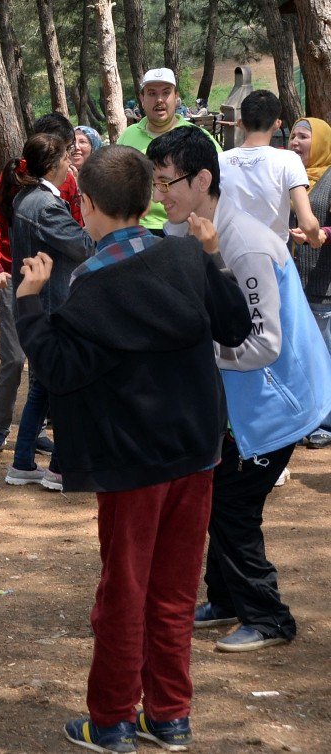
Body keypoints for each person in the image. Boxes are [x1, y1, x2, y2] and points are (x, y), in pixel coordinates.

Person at [14, 145, 251, 753]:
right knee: (173, 593)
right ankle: (169, 715)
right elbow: (234, 326)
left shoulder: (91, 287)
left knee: (123, 593)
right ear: (148, 201)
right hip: (195, 455)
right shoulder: (186, 256)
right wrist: (214, 256)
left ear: (86, 206)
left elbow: (59, 370)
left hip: (133, 466)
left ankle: (113, 719)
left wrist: (31, 302)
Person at [149, 126, 331, 652]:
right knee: (219, 497)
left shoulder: (245, 243)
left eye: (168, 184)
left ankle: (270, 617)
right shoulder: (191, 231)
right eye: (156, 185)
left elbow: (266, 345)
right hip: (244, 406)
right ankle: (227, 600)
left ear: (203, 178)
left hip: (280, 403)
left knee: (233, 506)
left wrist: (199, 354)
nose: (161, 197)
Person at [0, 112, 82, 457]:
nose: (71, 156)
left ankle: (33, 431)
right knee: (13, 357)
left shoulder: (69, 182)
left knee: (43, 362)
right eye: (66, 150)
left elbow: (75, 231)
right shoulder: (14, 178)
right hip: (14, 276)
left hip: (53, 282)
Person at [5, 133, 94, 491]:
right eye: (66, 159)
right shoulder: (45, 205)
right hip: (51, 305)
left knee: (42, 387)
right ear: (54, 165)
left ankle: (23, 461)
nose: (71, 164)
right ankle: (59, 468)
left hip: (35, 304)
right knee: (62, 384)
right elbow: (85, 246)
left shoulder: (28, 198)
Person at [117, 68, 220, 234]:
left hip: (186, 228)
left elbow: (219, 183)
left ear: (176, 97)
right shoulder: (127, 136)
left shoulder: (198, 138)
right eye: (151, 93)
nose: (159, 100)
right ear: (142, 98)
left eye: (166, 93)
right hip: (136, 229)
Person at [219, 90, 321, 246]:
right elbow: (307, 223)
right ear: (277, 124)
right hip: (272, 258)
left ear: (241, 123)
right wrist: (315, 239)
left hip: (229, 256)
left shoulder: (219, 161)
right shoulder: (289, 160)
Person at [287, 116, 331, 449]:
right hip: (290, 282)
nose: (296, 142)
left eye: (304, 136)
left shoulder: (330, 178)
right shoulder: (288, 176)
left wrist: (321, 233)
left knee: (324, 354)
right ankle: (306, 418)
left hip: (322, 285)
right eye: (292, 135)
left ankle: (325, 423)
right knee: (300, 354)